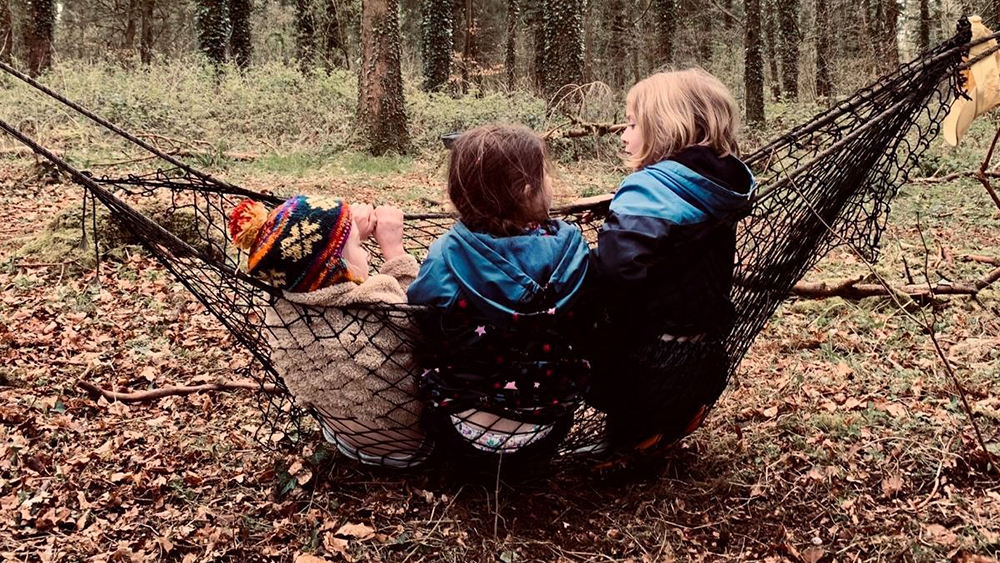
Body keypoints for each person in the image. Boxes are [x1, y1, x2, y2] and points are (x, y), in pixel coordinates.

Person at [588, 68, 757, 451]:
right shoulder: (726, 185)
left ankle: (633, 431)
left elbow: (615, 272)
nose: (623, 134)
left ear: (665, 128)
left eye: (632, 124)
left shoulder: (648, 188)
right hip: (706, 357)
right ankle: (669, 417)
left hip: (645, 366)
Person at [407, 124, 591, 465]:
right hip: (547, 429)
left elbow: (420, 312)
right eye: (544, 176)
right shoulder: (573, 253)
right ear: (525, 191)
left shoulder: (446, 254)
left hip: (458, 432)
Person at [228, 195, 431, 467]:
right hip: (411, 446)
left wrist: (347, 232)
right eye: (360, 246)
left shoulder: (282, 310)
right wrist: (394, 250)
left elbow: (317, 261)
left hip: (344, 439)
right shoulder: (377, 301)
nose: (367, 253)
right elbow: (423, 320)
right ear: (337, 266)